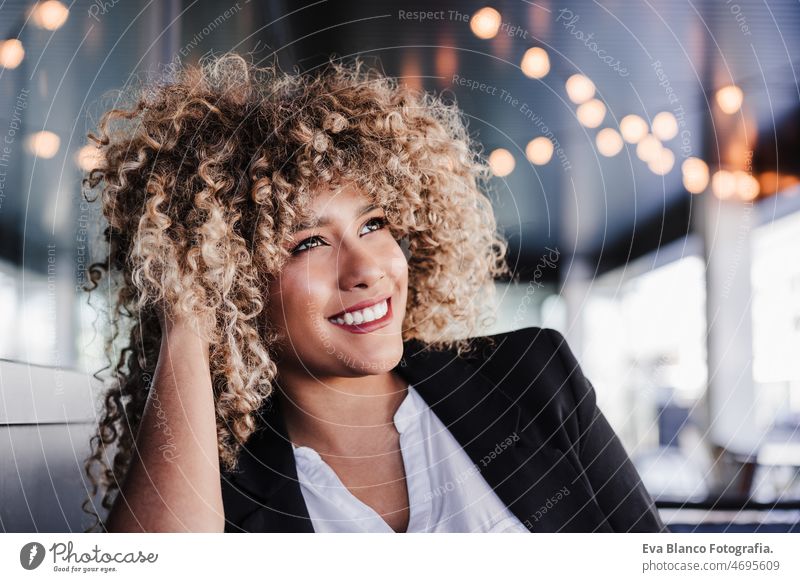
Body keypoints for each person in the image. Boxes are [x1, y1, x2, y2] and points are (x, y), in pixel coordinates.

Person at [81, 52, 667, 533]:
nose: (366, 268)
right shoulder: (216, 487)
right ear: (229, 281)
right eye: (307, 242)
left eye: (373, 225)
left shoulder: (533, 376)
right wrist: (187, 316)